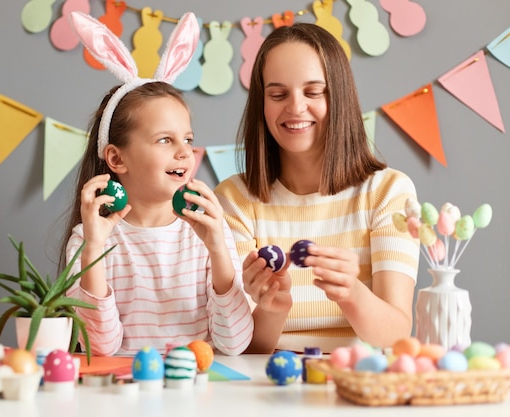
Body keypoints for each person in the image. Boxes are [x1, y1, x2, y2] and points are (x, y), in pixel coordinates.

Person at [214, 22, 419, 354]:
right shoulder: (234, 200)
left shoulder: (388, 192)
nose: (295, 107)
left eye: (313, 92)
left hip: (356, 383)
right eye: (278, 94)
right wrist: (271, 307)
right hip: (267, 387)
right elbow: (241, 351)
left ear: (338, 97)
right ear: (261, 105)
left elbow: (396, 335)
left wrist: (350, 291)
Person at [58, 11, 253, 357]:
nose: (185, 152)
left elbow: (234, 343)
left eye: (188, 139)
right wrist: (93, 251)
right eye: (165, 140)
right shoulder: (88, 241)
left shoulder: (209, 235)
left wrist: (219, 250)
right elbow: (100, 347)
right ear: (117, 159)